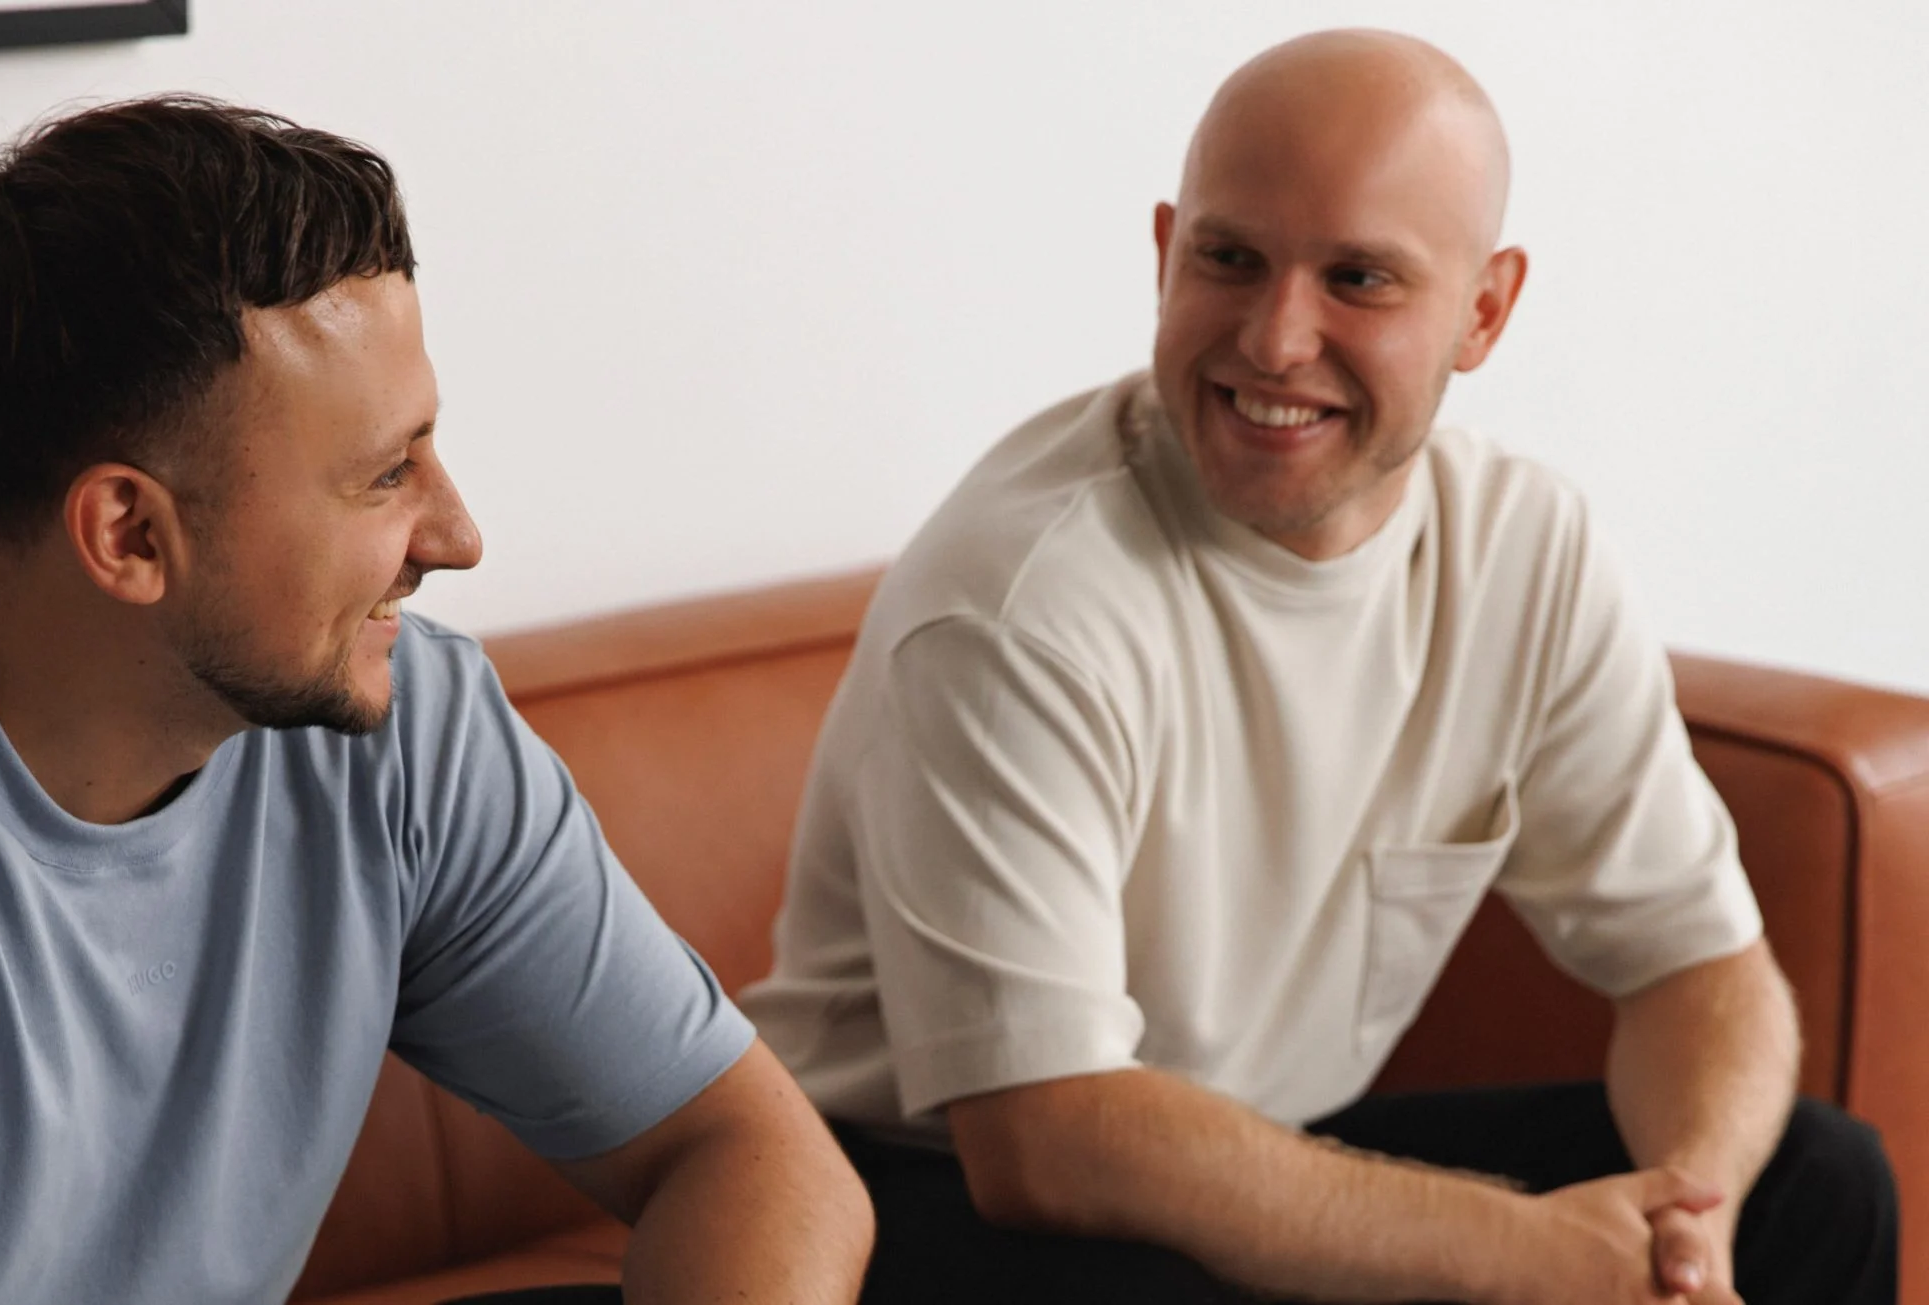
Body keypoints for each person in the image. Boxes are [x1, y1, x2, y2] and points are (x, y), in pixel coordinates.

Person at [743, 29, 1895, 1305]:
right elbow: (1043, 1141)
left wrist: (1683, 1237)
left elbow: (1698, 968)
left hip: (1242, 1145)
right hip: (907, 1187)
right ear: (1165, 253)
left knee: (1815, 1183)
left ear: (1482, 311)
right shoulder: (1019, 603)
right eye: (1228, 260)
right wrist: (1525, 1254)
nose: (1275, 339)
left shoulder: (1522, 552)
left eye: (1357, 278)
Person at [0, 97, 872, 1305]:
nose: (456, 536)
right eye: (384, 475)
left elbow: (749, 1156)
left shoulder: (405, 724)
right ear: (131, 534)